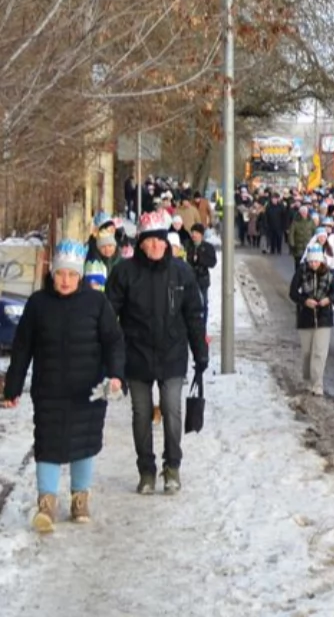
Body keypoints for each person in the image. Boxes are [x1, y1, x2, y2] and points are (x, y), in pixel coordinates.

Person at [3, 240, 125, 532]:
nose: (66, 280)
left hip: (89, 389)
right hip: (49, 390)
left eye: (71, 275)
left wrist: (116, 374)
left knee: (84, 444)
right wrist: (13, 388)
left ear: (80, 276)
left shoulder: (96, 303)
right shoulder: (37, 304)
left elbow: (114, 342)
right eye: (61, 274)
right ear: (52, 274)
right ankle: (46, 504)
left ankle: (79, 499)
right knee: (48, 446)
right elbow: (22, 349)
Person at [107, 210, 208, 495]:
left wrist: (200, 353)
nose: (155, 246)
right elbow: (108, 316)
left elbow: (194, 315)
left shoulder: (182, 272)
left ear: (167, 242)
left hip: (172, 353)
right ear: (140, 242)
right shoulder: (124, 273)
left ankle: (172, 466)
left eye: (160, 241)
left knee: (171, 408)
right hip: (136, 355)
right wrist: (109, 356)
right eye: (149, 241)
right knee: (141, 413)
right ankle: (146, 470)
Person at [289, 243, 334, 395]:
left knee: (320, 352)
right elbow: (292, 292)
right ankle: (307, 379)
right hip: (306, 317)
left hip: (324, 317)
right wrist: (305, 301)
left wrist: (328, 300)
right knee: (307, 353)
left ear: (321, 261)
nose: (313, 264)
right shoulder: (301, 272)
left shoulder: (329, 274)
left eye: (316, 262)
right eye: (311, 262)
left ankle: (317, 383)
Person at [187, 224, 218, 326]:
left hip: (202, 279)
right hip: (190, 279)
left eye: (196, 233)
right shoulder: (188, 245)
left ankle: (202, 327)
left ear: (201, 235)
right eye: (192, 232)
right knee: (190, 304)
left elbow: (212, 262)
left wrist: (200, 259)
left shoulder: (208, 247)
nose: (193, 235)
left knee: (203, 304)